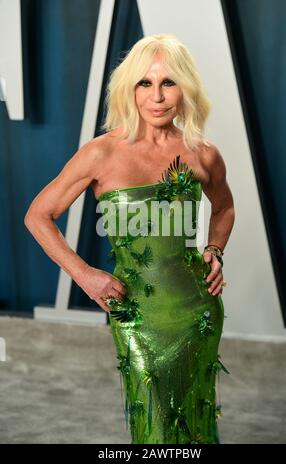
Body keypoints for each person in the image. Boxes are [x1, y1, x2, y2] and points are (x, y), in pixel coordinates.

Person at [24, 33, 235, 444]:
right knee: (153, 424)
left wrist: (214, 249)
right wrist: (84, 275)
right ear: (129, 89)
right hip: (134, 311)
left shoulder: (202, 153)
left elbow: (224, 207)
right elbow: (38, 215)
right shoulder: (101, 153)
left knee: (195, 413)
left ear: (185, 88)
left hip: (197, 309)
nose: (156, 96)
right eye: (145, 83)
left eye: (168, 82)